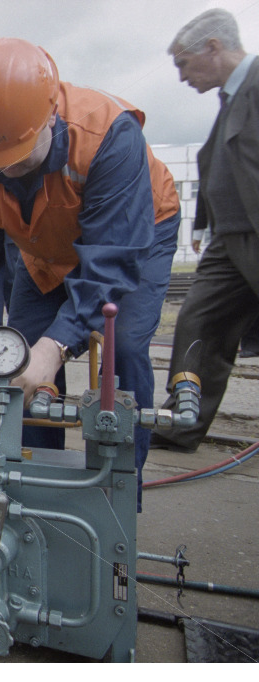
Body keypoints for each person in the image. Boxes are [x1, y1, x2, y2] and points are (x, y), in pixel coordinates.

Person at [0, 38, 181, 510]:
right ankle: (34, 491)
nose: (6, 172)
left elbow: (109, 259)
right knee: (17, 369)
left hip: (135, 233)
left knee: (125, 348)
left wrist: (55, 347)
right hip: (44, 249)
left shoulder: (109, 135)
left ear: (51, 117)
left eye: (18, 156)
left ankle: (118, 502)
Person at [152, 9, 259, 452]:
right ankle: (183, 423)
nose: (181, 77)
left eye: (183, 62)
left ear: (213, 48)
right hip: (228, 241)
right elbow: (223, 163)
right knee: (198, 320)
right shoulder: (231, 98)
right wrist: (204, 222)